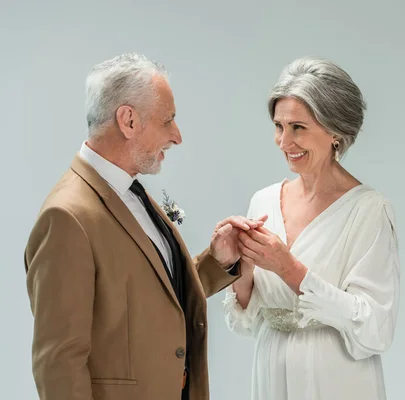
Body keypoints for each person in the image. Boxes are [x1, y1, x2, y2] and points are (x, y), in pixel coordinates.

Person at [24, 53, 264, 400]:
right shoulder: (66, 217)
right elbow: (58, 361)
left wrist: (217, 261)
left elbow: (150, 293)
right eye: (168, 121)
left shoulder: (130, 192)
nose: (177, 136)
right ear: (129, 120)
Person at [223, 56, 401, 400]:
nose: (284, 141)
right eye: (279, 126)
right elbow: (247, 321)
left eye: (298, 127)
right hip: (270, 369)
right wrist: (238, 267)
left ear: (335, 131)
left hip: (336, 376)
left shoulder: (368, 210)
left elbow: (376, 328)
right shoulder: (263, 201)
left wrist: (289, 269)